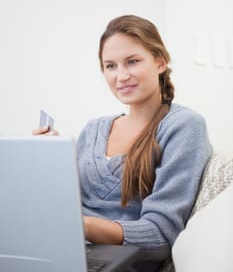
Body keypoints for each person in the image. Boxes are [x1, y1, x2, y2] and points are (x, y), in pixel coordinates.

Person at [34, 14, 213, 271]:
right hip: (62, 249)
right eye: (111, 66)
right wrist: (44, 161)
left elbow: (160, 235)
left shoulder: (183, 126)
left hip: (117, 262)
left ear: (160, 62)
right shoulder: (94, 129)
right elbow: (60, 203)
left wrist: (79, 225)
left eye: (132, 61)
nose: (121, 76)